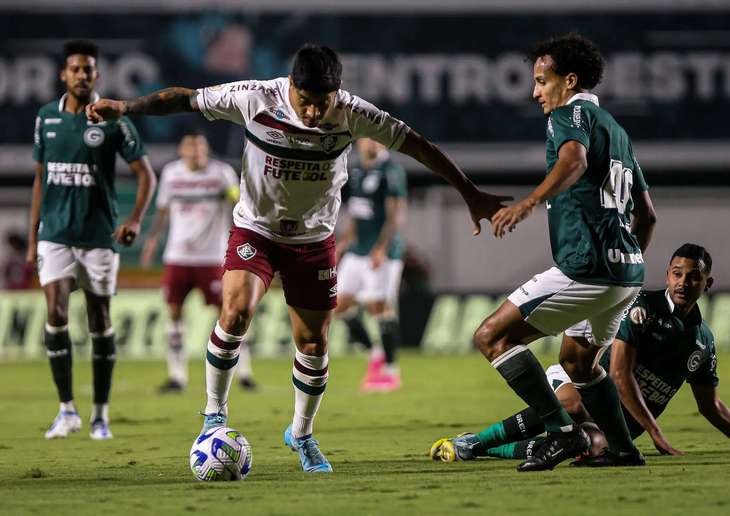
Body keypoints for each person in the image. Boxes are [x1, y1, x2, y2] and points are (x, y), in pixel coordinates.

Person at [87, 44, 507, 472]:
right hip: (257, 230)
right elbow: (184, 98)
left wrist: (469, 192)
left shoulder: (353, 112)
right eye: (304, 102)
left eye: (321, 104)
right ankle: (214, 415)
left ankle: (301, 435)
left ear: (337, 92)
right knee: (234, 314)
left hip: (313, 239)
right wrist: (125, 106)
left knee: (313, 342)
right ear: (290, 85)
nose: (311, 113)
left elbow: (418, 146)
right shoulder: (254, 97)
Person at [470, 33, 658, 471]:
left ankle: (562, 434)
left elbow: (572, 161)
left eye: (541, 80)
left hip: (586, 268)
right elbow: (647, 216)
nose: (535, 92)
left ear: (569, 81)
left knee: (491, 337)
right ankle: (622, 449)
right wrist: (626, 264)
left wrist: (529, 202)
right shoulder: (617, 131)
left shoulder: (568, 115)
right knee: (576, 361)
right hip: (626, 274)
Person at [432, 244, 730, 462]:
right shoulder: (643, 307)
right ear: (667, 276)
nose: (683, 283)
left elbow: (709, 405)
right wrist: (655, 432)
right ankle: (475, 443)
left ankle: (482, 450)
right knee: (572, 406)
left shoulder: (703, 342)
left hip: (621, 422)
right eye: (677, 274)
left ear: (707, 284)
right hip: (582, 381)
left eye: (694, 277)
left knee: (588, 445)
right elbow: (619, 375)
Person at [27, 40, 156, 440]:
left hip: (99, 236)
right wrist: (34, 238)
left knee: (99, 320)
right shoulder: (46, 117)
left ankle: (100, 414)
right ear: (63, 75)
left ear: (97, 75)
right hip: (56, 235)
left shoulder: (114, 120)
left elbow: (146, 176)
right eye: (75, 69)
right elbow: (40, 178)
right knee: (57, 313)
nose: (82, 75)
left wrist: (135, 219)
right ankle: (67, 410)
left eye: (88, 69)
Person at [141, 130, 257, 393]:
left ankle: (245, 373)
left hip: (212, 256)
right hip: (178, 255)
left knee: (230, 314)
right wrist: (151, 241)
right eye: (192, 147)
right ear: (182, 150)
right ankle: (177, 376)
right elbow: (162, 210)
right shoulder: (172, 174)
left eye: (201, 147)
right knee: (173, 313)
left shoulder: (221, 173)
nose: (197, 152)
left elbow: (238, 205)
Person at [335, 138, 407, 392]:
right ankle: (374, 354)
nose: (370, 141)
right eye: (366, 136)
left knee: (379, 305)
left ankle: (391, 370)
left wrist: (381, 247)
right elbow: (357, 212)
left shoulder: (391, 171)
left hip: (382, 252)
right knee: (339, 305)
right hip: (358, 250)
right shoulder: (355, 171)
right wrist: (343, 242)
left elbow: (395, 214)